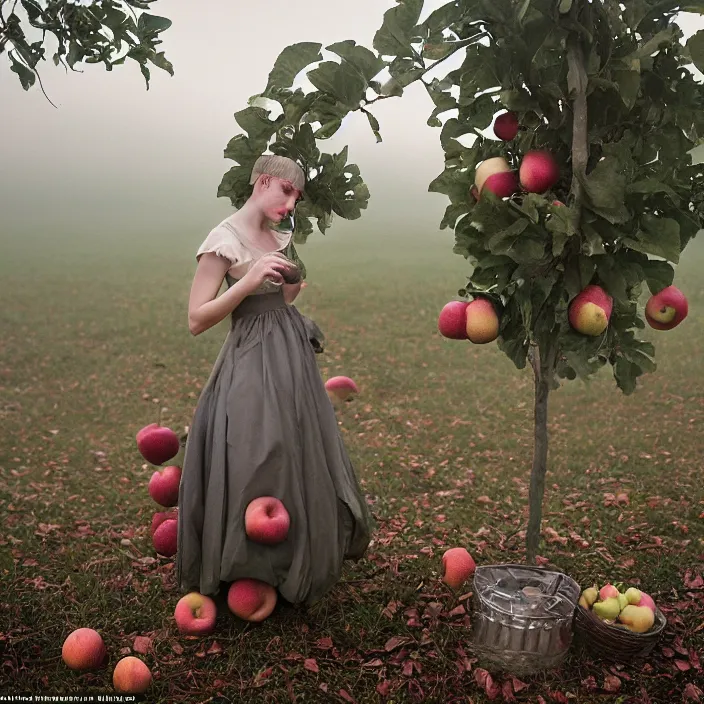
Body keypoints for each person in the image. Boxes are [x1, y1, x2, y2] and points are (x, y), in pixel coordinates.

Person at [176, 154, 373, 610]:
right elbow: (195, 319)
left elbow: (281, 299)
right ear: (264, 182)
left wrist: (290, 283)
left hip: (290, 356)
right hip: (248, 359)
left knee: (295, 448)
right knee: (256, 451)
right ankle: (247, 564)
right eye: (286, 192)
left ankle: (291, 559)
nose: (291, 204)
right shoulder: (223, 241)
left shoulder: (279, 236)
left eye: (297, 197)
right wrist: (248, 282)